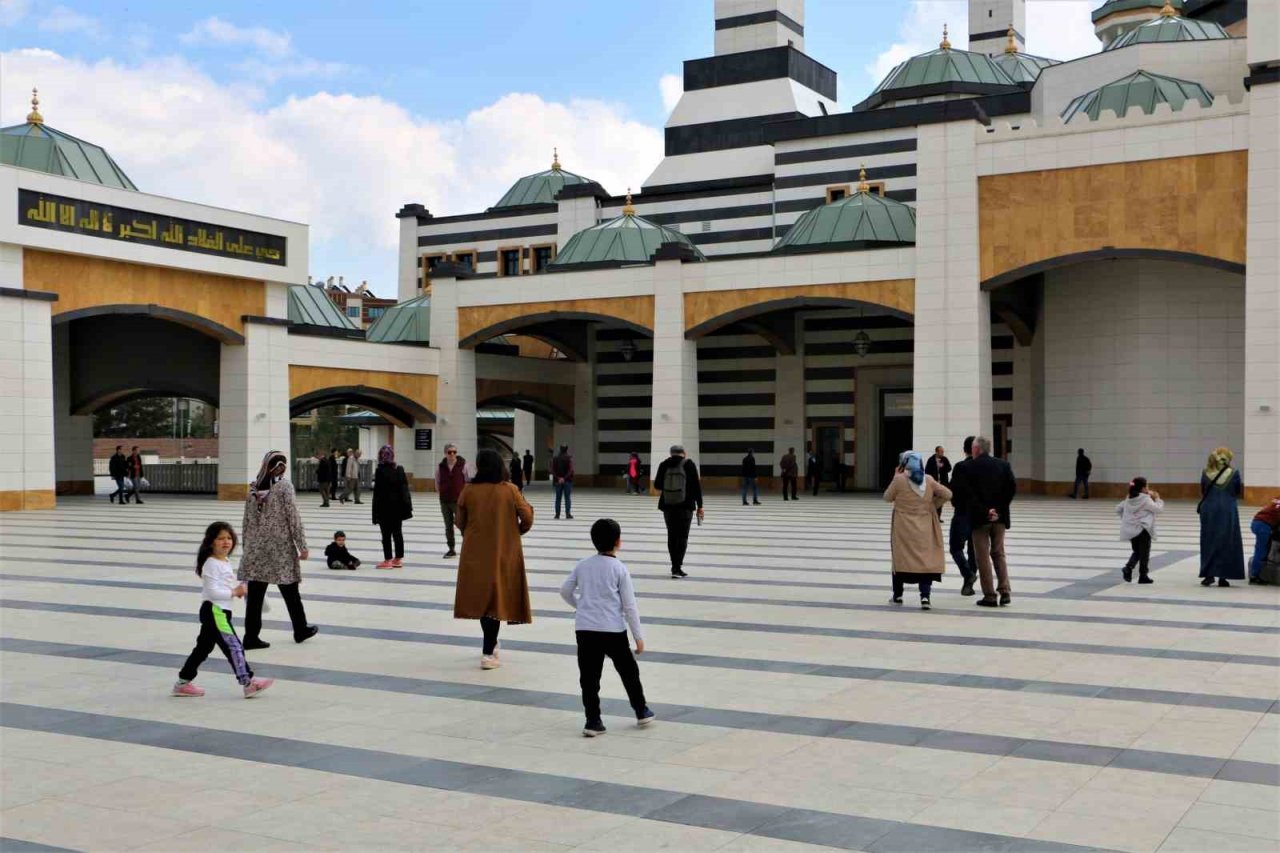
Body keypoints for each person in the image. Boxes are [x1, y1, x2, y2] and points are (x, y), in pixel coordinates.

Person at [560, 518, 654, 736]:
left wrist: (580, 606)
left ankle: (593, 721)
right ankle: (641, 710)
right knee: (629, 672)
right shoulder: (619, 569)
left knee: (589, 677)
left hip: (585, 630)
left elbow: (565, 591)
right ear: (618, 542)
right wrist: (638, 636)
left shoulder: (583, 565)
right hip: (613, 630)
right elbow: (630, 606)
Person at [173, 521, 274, 698]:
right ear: (211, 542)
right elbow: (212, 591)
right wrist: (234, 592)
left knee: (203, 648)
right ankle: (248, 682)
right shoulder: (211, 563)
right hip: (215, 610)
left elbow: (223, 585)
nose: (226, 542)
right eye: (220, 538)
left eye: (229, 538)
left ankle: (183, 683)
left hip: (217, 610)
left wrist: (238, 589)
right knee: (234, 646)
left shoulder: (223, 561)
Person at [454, 448, 534, 670]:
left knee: (483, 600)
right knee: (495, 600)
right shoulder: (510, 490)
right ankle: (488, 652)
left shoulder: (468, 491)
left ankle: (490, 645)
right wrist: (515, 531)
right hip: (503, 551)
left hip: (475, 552)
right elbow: (526, 516)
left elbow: (459, 521)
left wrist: (471, 534)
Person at [238, 451, 317, 650]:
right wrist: (303, 546)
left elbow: (246, 522)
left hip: (256, 550)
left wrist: (247, 548)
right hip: (279, 549)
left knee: (255, 596)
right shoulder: (284, 487)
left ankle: (251, 637)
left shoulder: (254, 488)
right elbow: (293, 517)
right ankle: (300, 629)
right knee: (290, 590)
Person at [884, 451, 953, 610]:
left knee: (901, 559)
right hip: (924, 526)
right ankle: (925, 597)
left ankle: (898, 595)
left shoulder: (899, 480)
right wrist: (932, 505)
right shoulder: (928, 480)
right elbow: (948, 494)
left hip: (903, 527)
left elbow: (887, 497)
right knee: (924, 560)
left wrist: (895, 476)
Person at [965, 436, 1017, 608]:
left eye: (973, 448)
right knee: (998, 553)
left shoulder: (970, 467)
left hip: (980, 520)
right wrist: (999, 511)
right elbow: (1011, 489)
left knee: (982, 557)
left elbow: (969, 495)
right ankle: (1005, 590)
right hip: (999, 519)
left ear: (977, 449)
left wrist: (986, 511)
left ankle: (990, 595)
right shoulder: (1003, 465)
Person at [654, 445, 704, 579]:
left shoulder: (664, 464)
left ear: (671, 453)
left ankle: (673, 566)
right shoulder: (689, 464)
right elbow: (696, 487)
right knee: (682, 536)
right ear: (684, 453)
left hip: (668, 505)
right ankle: (677, 568)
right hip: (685, 506)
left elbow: (657, 485)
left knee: (672, 535)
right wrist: (700, 505)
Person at [1199, 447, 1245, 587]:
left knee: (1209, 541)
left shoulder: (1205, 473)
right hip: (1228, 510)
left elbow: (1203, 490)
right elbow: (1237, 491)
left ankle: (1208, 575)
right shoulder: (1234, 473)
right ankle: (1224, 576)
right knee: (1227, 541)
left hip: (1209, 510)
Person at [372, 444, 413, 569]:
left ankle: (388, 560)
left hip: (384, 508)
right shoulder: (399, 469)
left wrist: (375, 513)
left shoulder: (380, 471)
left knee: (386, 535)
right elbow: (405, 490)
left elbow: (377, 493)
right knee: (397, 533)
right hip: (398, 509)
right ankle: (398, 559)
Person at [1117, 478, 1163, 584]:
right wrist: (1157, 498)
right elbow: (1158, 509)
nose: (1148, 488)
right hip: (1143, 529)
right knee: (1144, 554)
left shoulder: (1128, 498)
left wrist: (1127, 519)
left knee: (1137, 551)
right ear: (1143, 488)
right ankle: (1143, 576)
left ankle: (1128, 568)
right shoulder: (1146, 499)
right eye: (1147, 486)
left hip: (1131, 530)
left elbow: (1118, 509)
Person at [947, 436, 978, 595]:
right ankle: (968, 584)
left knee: (955, 547)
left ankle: (968, 575)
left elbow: (954, 489)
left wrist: (956, 503)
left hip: (963, 512)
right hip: (980, 514)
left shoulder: (960, 467)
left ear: (965, 449)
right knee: (974, 550)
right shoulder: (986, 467)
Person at [437, 443, 467, 558]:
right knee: (448, 526)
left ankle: (467, 548)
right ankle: (451, 549)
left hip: (458, 501)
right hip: (444, 501)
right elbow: (437, 482)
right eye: (450, 452)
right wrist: (442, 492)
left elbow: (468, 482)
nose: (452, 454)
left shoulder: (463, 465)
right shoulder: (440, 467)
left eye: (454, 452)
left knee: (463, 524)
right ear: (445, 453)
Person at [1249, 496, 1280, 585]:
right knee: (1261, 551)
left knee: (1262, 549)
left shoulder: (1277, 498)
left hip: (1257, 522)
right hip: (1264, 525)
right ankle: (1254, 576)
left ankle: (1256, 573)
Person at [924, 446, 950, 518]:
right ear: (936, 452)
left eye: (943, 451)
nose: (942, 453)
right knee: (932, 500)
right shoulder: (931, 460)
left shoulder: (944, 459)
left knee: (940, 500)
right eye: (941, 451)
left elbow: (949, 468)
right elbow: (927, 471)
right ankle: (932, 516)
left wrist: (942, 467)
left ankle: (938, 517)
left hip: (942, 483)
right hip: (933, 483)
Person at [552, 444, 575, 519]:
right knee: (567, 498)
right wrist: (564, 478)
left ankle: (557, 514)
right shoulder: (569, 458)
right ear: (567, 449)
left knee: (558, 498)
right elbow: (570, 470)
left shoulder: (555, 458)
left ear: (560, 449)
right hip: (567, 481)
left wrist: (558, 478)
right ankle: (568, 514)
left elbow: (552, 470)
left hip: (557, 481)